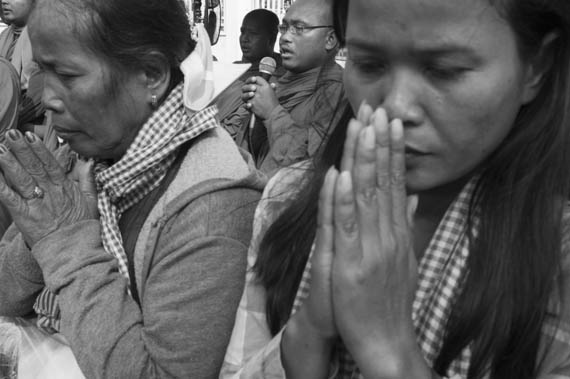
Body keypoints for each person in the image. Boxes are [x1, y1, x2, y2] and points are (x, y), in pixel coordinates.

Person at [220, 0, 570, 378]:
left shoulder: (557, 254)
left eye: (444, 70)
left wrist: (388, 351)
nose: (396, 106)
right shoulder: (288, 198)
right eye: (368, 64)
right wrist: (305, 335)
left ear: (535, 67)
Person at [0, 0, 265, 378]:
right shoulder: (87, 156)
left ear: (151, 74)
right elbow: (6, 295)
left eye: (69, 76)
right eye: (44, 71)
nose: (48, 100)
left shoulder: (211, 207)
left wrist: (66, 241)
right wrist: (42, 231)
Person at [228, 0, 345, 177]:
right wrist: (257, 116)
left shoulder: (336, 93)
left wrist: (272, 113)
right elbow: (256, 153)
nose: (285, 37)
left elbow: (310, 167)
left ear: (330, 39)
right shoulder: (280, 82)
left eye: (299, 28)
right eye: (284, 28)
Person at [216, 9, 284, 149]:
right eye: (242, 32)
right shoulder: (232, 70)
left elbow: (235, 129)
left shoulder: (278, 80)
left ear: (271, 39)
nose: (244, 39)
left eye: (253, 34)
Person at [0, 0, 44, 131]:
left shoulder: (46, 40)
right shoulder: (3, 37)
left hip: (35, 127)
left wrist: (23, 127)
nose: (4, 2)